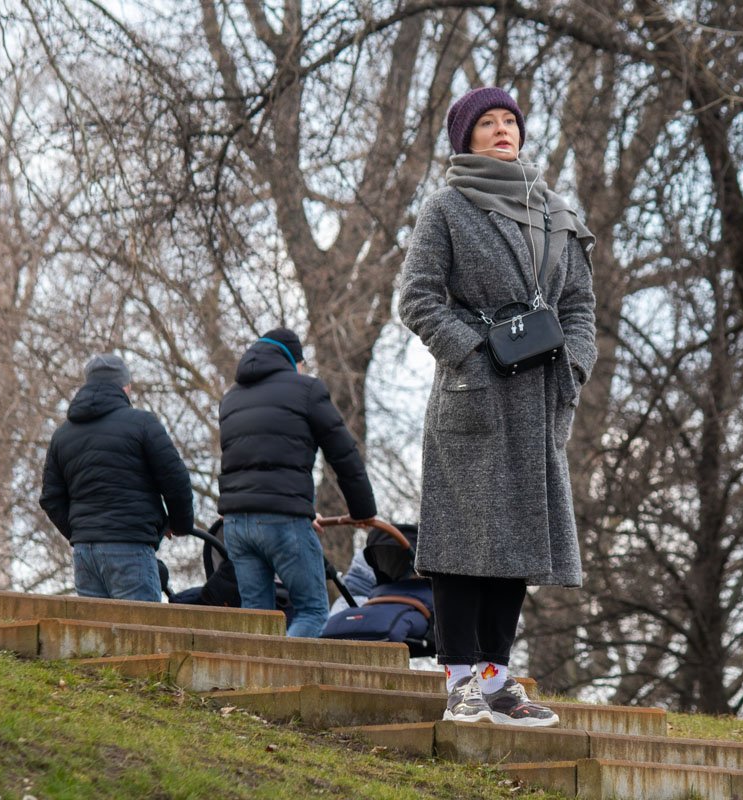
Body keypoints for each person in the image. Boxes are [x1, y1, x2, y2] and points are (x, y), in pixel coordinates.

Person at [398, 86, 597, 727]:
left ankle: (497, 680)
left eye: (510, 119)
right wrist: (476, 355)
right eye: (488, 122)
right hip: (473, 395)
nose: (503, 129)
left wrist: (574, 365)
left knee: (518, 543)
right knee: (463, 541)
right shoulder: (446, 208)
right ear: (466, 137)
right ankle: (458, 679)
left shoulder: (555, 213)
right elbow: (419, 298)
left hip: (539, 396)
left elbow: (580, 307)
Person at [217, 327, 376, 638]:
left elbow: (241, 460)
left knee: (256, 619)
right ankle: (283, 680)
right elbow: (343, 454)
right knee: (313, 611)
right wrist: (362, 510)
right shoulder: (306, 389)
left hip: (236, 524)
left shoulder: (230, 399)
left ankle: (256, 681)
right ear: (293, 359)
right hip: (283, 521)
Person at [40, 353, 194, 602]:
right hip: (130, 547)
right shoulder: (143, 423)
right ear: (125, 387)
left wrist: (83, 531)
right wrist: (179, 524)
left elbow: (50, 498)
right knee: (140, 634)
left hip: (85, 554)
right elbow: (175, 479)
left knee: (95, 635)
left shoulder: (62, 435)